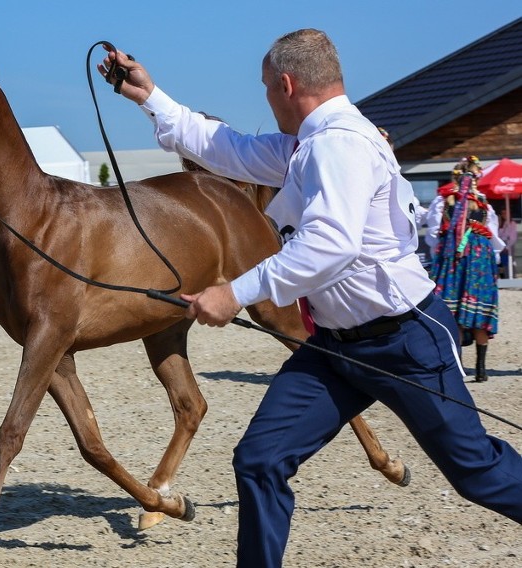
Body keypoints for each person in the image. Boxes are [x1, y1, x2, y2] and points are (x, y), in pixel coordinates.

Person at [102, 29, 522, 567]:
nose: (266, 100)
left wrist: (234, 292)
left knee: (476, 472)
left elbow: (331, 246)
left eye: (265, 89)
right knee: (260, 458)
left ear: (286, 83)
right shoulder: (310, 144)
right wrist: (148, 95)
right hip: (338, 349)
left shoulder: (340, 144)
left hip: (406, 340)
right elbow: (226, 148)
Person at [427, 156, 504, 382]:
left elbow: (433, 237)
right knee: (479, 312)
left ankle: (458, 367)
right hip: (479, 262)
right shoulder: (484, 204)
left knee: (453, 315)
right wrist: (494, 263)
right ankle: (481, 369)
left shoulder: (443, 202)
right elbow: (494, 239)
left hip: (452, 260)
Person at [498, 206, 517, 278]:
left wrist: (507, 247)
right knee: (503, 263)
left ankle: (511, 277)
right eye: (502, 213)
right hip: (501, 244)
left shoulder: (512, 223)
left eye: (505, 213)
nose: (504, 215)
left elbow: (513, 237)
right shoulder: (501, 224)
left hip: (509, 244)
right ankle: (504, 277)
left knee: (510, 261)